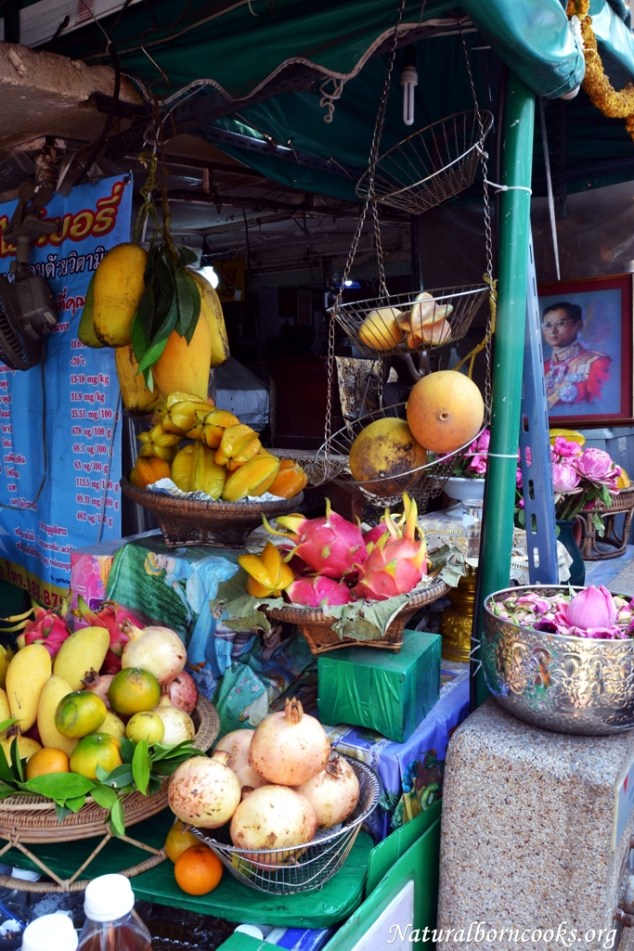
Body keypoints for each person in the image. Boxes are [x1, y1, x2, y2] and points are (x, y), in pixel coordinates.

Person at [541, 301, 611, 408]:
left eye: (560, 324)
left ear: (578, 325)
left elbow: (599, 404)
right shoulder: (542, 367)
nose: (553, 331)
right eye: (547, 325)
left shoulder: (597, 362)